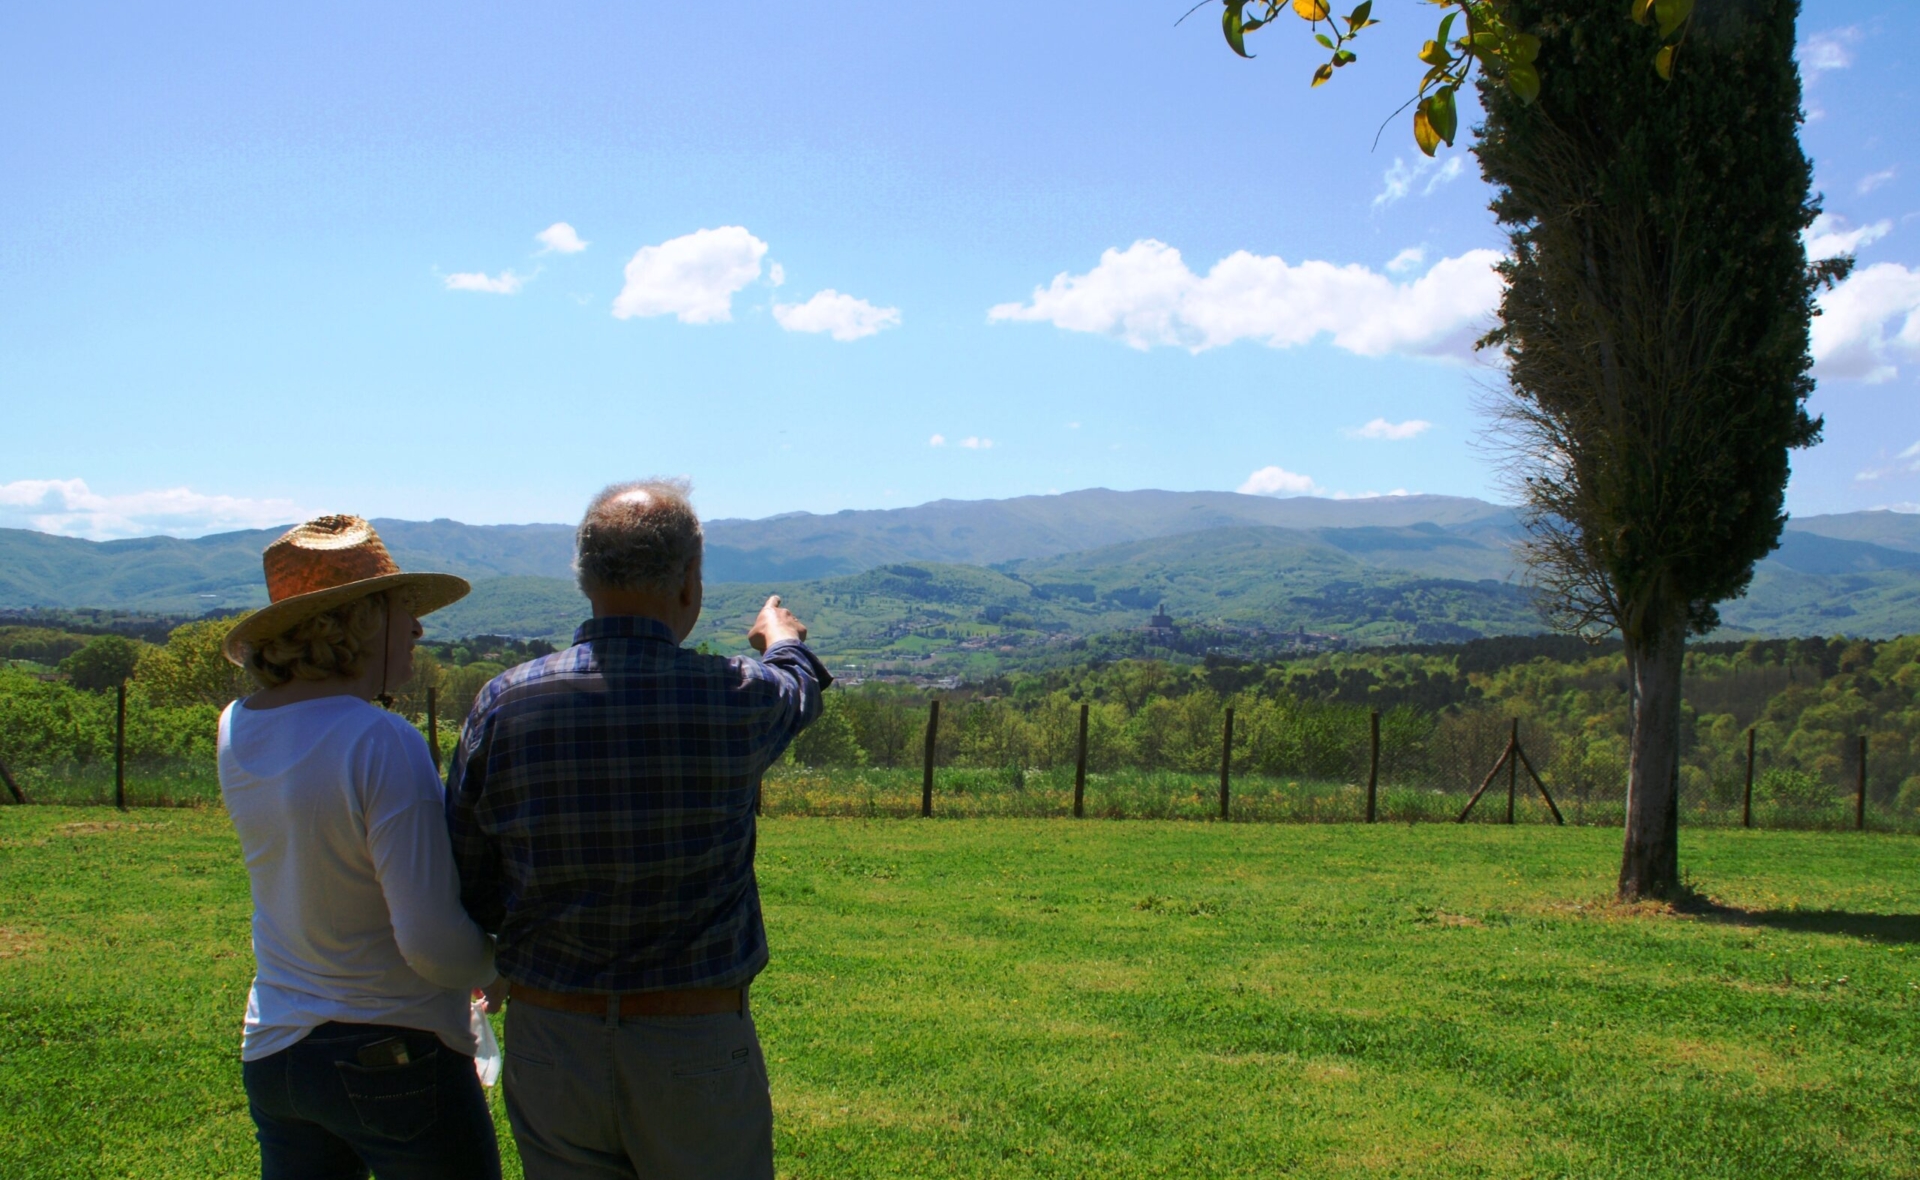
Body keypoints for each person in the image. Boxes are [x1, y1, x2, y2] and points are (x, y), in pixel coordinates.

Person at [447, 479, 830, 1180]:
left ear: (586, 578)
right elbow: (798, 692)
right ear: (689, 582)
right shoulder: (732, 696)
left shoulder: (503, 702)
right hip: (695, 1041)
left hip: (549, 1037)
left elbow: (471, 875)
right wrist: (781, 639)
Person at [219, 515, 503, 1180]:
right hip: (391, 1054)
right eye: (400, 608)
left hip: (275, 1050)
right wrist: (498, 965)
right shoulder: (380, 739)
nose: (417, 627)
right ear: (357, 623)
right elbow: (432, 944)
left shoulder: (236, 727)